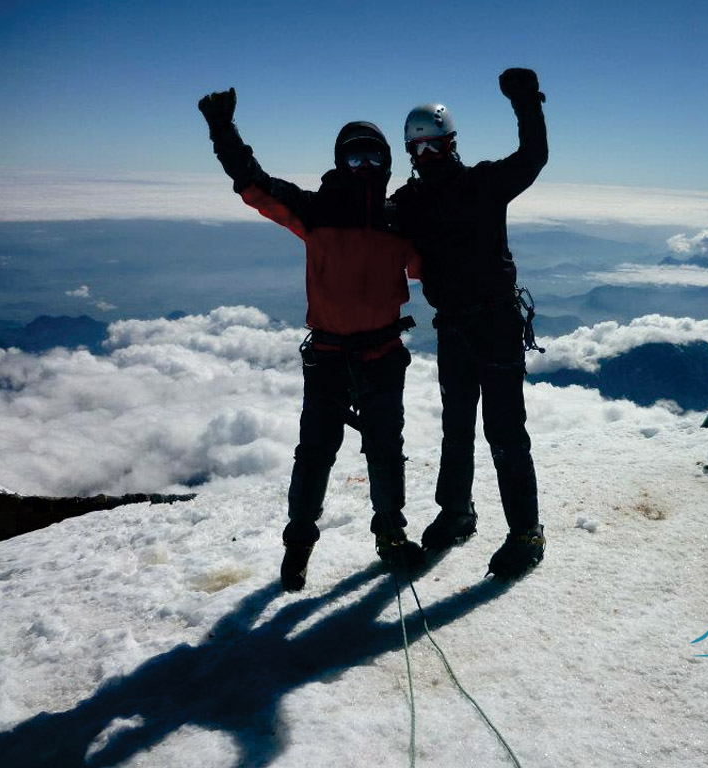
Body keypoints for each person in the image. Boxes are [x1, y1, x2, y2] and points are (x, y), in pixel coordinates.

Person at [198, 88, 424, 591]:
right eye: (354, 155)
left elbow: (429, 267)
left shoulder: (399, 219)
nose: (364, 164)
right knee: (316, 455)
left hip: (381, 355)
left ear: (387, 162)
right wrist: (223, 130)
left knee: (385, 452)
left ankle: (390, 536)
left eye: (374, 155)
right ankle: (298, 547)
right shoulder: (316, 210)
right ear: (340, 162)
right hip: (330, 356)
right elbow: (252, 185)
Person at [390, 68, 548, 578]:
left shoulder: (481, 182)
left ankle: (526, 532)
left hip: (496, 322)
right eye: (420, 150)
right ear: (410, 154)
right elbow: (363, 222)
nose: (428, 156)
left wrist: (526, 102)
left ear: (451, 143)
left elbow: (532, 158)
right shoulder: (408, 203)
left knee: (504, 431)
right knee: (456, 429)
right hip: (454, 327)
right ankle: (456, 512)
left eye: (436, 146)